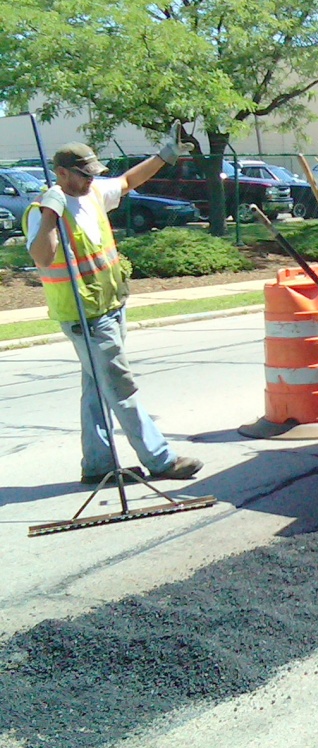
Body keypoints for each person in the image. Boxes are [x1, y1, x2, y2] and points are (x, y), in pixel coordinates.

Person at [25, 124, 204, 484]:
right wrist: (50, 212)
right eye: (83, 174)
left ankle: (97, 465)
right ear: (61, 174)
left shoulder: (91, 194)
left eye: (93, 173)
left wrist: (164, 156)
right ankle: (161, 460)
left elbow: (125, 182)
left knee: (97, 390)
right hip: (85, 316)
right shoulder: (44, 210)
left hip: (111, 307)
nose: (92, 180)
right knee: (120, 389)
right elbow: (42, 257)